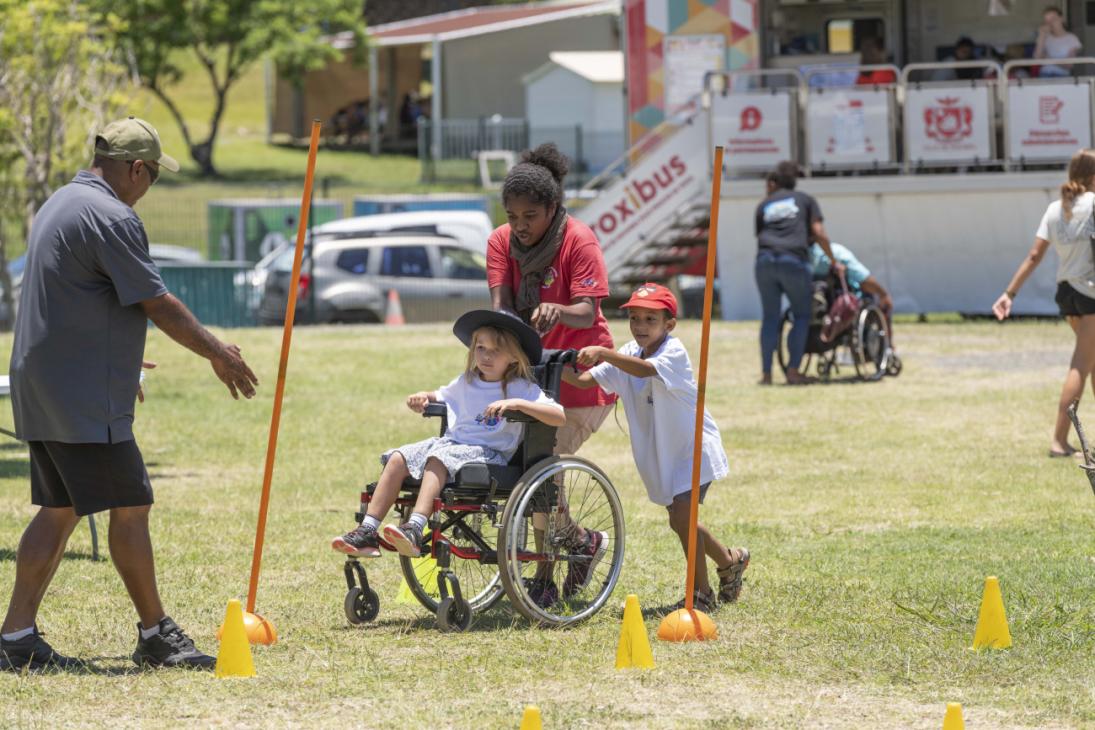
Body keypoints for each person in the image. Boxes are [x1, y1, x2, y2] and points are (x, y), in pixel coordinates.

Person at [0, 117, 259, 672]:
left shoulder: (61, 202)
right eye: (153, 177)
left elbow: (75, 294)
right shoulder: (112, 215)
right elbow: (156, 301)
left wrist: (110, 353)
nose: (148, 189)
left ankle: (17, 635)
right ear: (136, 168)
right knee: (132, 503)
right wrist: (218, 351)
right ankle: (155, 635)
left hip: (45, 381)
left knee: (59, 507)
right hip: (77, 393)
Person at [562, 284, 748, 611]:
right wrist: (551, 365)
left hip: (692, 450)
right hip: (665, 454)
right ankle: (730, 560)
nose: (640, 326)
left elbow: (646, 370)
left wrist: (603, 352)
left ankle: (701, 595)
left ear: (669, 325)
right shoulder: (628, 353)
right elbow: (585, 380)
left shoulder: (672, 353)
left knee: (683, 519)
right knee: (680, 521)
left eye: (650, 319)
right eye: (634, 318)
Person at [485, 143, 616, 605]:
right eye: (512, 215)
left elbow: (585, 313)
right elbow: (501, 308)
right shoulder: (501, 241)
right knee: (529, 471)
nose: (519, 227)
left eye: (530, 217)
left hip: (581, 377)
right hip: (529, 378)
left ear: (553, 208)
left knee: (543, 468)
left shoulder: (578, 240)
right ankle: (581, 544)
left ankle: (542, 575)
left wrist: (557, 307)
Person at [331, 310, 564, 558]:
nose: (486, 356)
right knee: (399, 457)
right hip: (452, 445)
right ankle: (367, 531)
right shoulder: (467, 381)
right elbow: (439, 395)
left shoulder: (522, 387)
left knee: (439, 460)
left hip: (489, 456)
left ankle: (415, 528)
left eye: (495, 350)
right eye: (481, 348)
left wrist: (517, 404)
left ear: (514, 358)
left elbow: (558, 415)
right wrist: (423, 397)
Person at [993, 149, 1095, 458]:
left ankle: (1062, 439)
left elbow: (1034, 256)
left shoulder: (1055, 208)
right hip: (1090, 292)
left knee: (1091, 362)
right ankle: (1059, 441)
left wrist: (1009, 293)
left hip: (1066, 291)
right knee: (1081, 364)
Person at [755, 161, 844, 385]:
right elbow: (818, 233)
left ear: (774, 183)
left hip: (765, 261)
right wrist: (834, 260)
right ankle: (793, 371)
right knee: (802, 315)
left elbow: (762, 235)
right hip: (794, 260)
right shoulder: (805, 200)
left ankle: (766, 375)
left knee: (770, 318)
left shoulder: (764, 204)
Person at [809, 241, 895, 340]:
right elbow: (864, 280)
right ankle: (888, 345)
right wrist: (883, 294)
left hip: (816, 302)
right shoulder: (838, 252)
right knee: (877, 301)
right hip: (840, 307)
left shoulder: (802, 255)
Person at [1035, 6, 1082, 78]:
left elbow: (1069, 65)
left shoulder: (1072, 39)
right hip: (1044, 74)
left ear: (1061, 18)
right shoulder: (1045, 38)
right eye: (1047, 21)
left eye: (1053, 19)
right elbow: (1037, 58)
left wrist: (1048, 58)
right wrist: (1041, 36)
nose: (1051, 23)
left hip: (1062, 76)